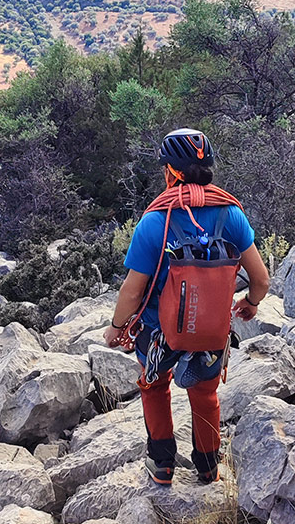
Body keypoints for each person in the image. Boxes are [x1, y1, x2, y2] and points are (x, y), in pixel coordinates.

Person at [103, 128, 270, 486]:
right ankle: (208, 468)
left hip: (157, 331)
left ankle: (162, 465)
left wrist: (116, 329)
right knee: (206, 395)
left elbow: (133, 291)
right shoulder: (231, 215)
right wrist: (251, 304)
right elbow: (261, 280)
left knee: (154, 385)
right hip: (210, 328)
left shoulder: (155, 221)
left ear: (170, 172)